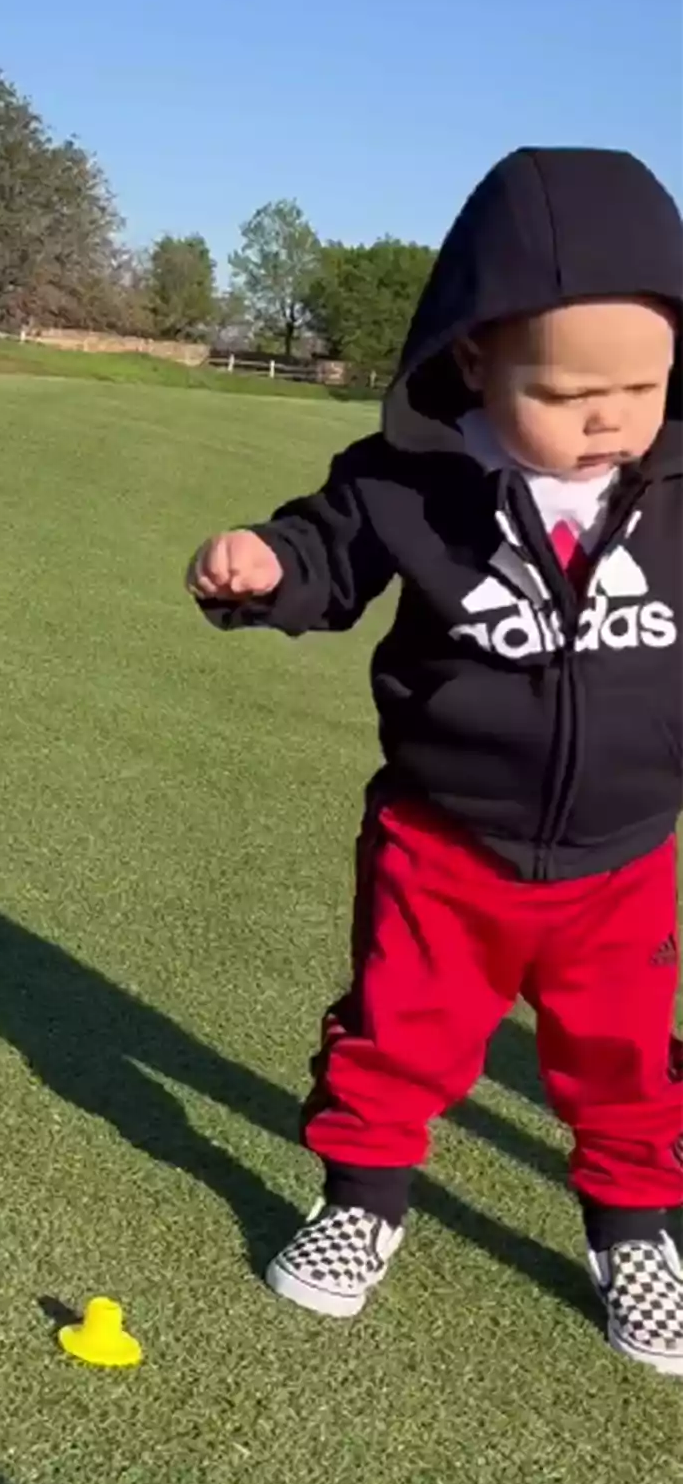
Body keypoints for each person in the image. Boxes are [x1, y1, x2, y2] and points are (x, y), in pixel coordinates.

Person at [187, 146, 683, 1373]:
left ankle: (637, 1236)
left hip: (621, 858)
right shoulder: (411, 483)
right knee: (397, 1033)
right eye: (570, 392)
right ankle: (361, 1203)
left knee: (624, 1060)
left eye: (643, 385)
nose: (610, 417)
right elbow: (327, 552)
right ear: (472, 357)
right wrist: (266, 566)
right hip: (442, 843)